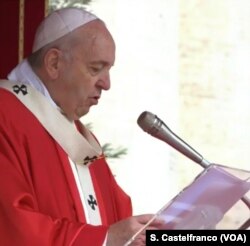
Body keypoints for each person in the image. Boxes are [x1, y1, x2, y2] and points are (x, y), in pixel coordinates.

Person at [0, 7, 164, 246]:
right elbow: (11, 227)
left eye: (109, 70)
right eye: (95, 69)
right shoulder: (5, 114)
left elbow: (118, 218)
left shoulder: (80, 138)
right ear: (54, 63)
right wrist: (104, 239)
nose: (106, 84)